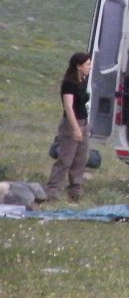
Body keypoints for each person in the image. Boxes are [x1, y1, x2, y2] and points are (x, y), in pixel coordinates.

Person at [46, 52, 93, 202]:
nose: (90, 67)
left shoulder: (83, 81)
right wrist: (75, 128)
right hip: (72, 124)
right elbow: (68, 106)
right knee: (65, 159)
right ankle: (52, 191)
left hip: (83, 122)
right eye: (87, 64)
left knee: (80, 159)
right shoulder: (69, 83)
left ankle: (75, 191)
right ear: (78, 66)